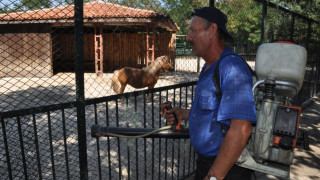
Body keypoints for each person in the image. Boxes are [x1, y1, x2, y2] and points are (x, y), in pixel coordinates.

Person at [161, 6, 256, 180]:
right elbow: (215, 113)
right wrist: (183, 113)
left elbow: (242, 129)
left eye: (192, 31)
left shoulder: (232, 68)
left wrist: (214, 176)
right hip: (208, 164)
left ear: (212, 31)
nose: (188, 37)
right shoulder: (209, 67)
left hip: (226, 168)